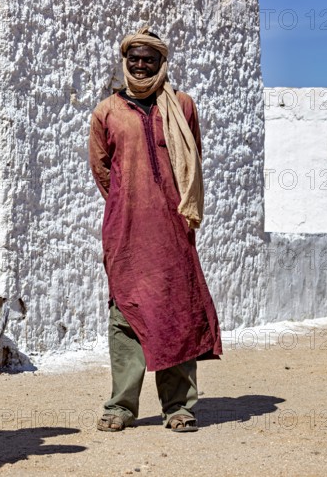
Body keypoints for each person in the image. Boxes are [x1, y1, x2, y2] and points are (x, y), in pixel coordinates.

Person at [89, 26, 222, 433]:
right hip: (126, 232)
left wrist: (173, 209)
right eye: (135, 58)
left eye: (149, 58)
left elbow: (192, 163)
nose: (141, 65)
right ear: (125, 61)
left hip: (173, 229)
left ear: (161, 61)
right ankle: (121, 407)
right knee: (125, 315)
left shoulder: (182, 106)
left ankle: (179, 407)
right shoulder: (107, 111)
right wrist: (130, 201)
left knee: (177, 312)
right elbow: (102, 169)